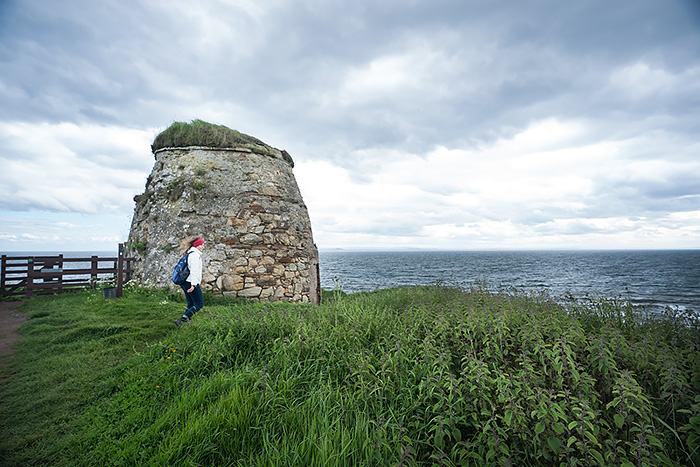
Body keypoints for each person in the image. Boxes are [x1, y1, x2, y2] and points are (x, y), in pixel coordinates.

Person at [174, 237, 205, 326]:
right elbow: (194, 271)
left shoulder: (190, 253)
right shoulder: (195, 255)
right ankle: (183, 319)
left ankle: (187, 320)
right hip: (191, 282)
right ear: (196, 245)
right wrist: (194, 285)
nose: (202, 246)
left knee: (191, 303)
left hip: (185, 282)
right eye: (201, 245)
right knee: (199, 304)